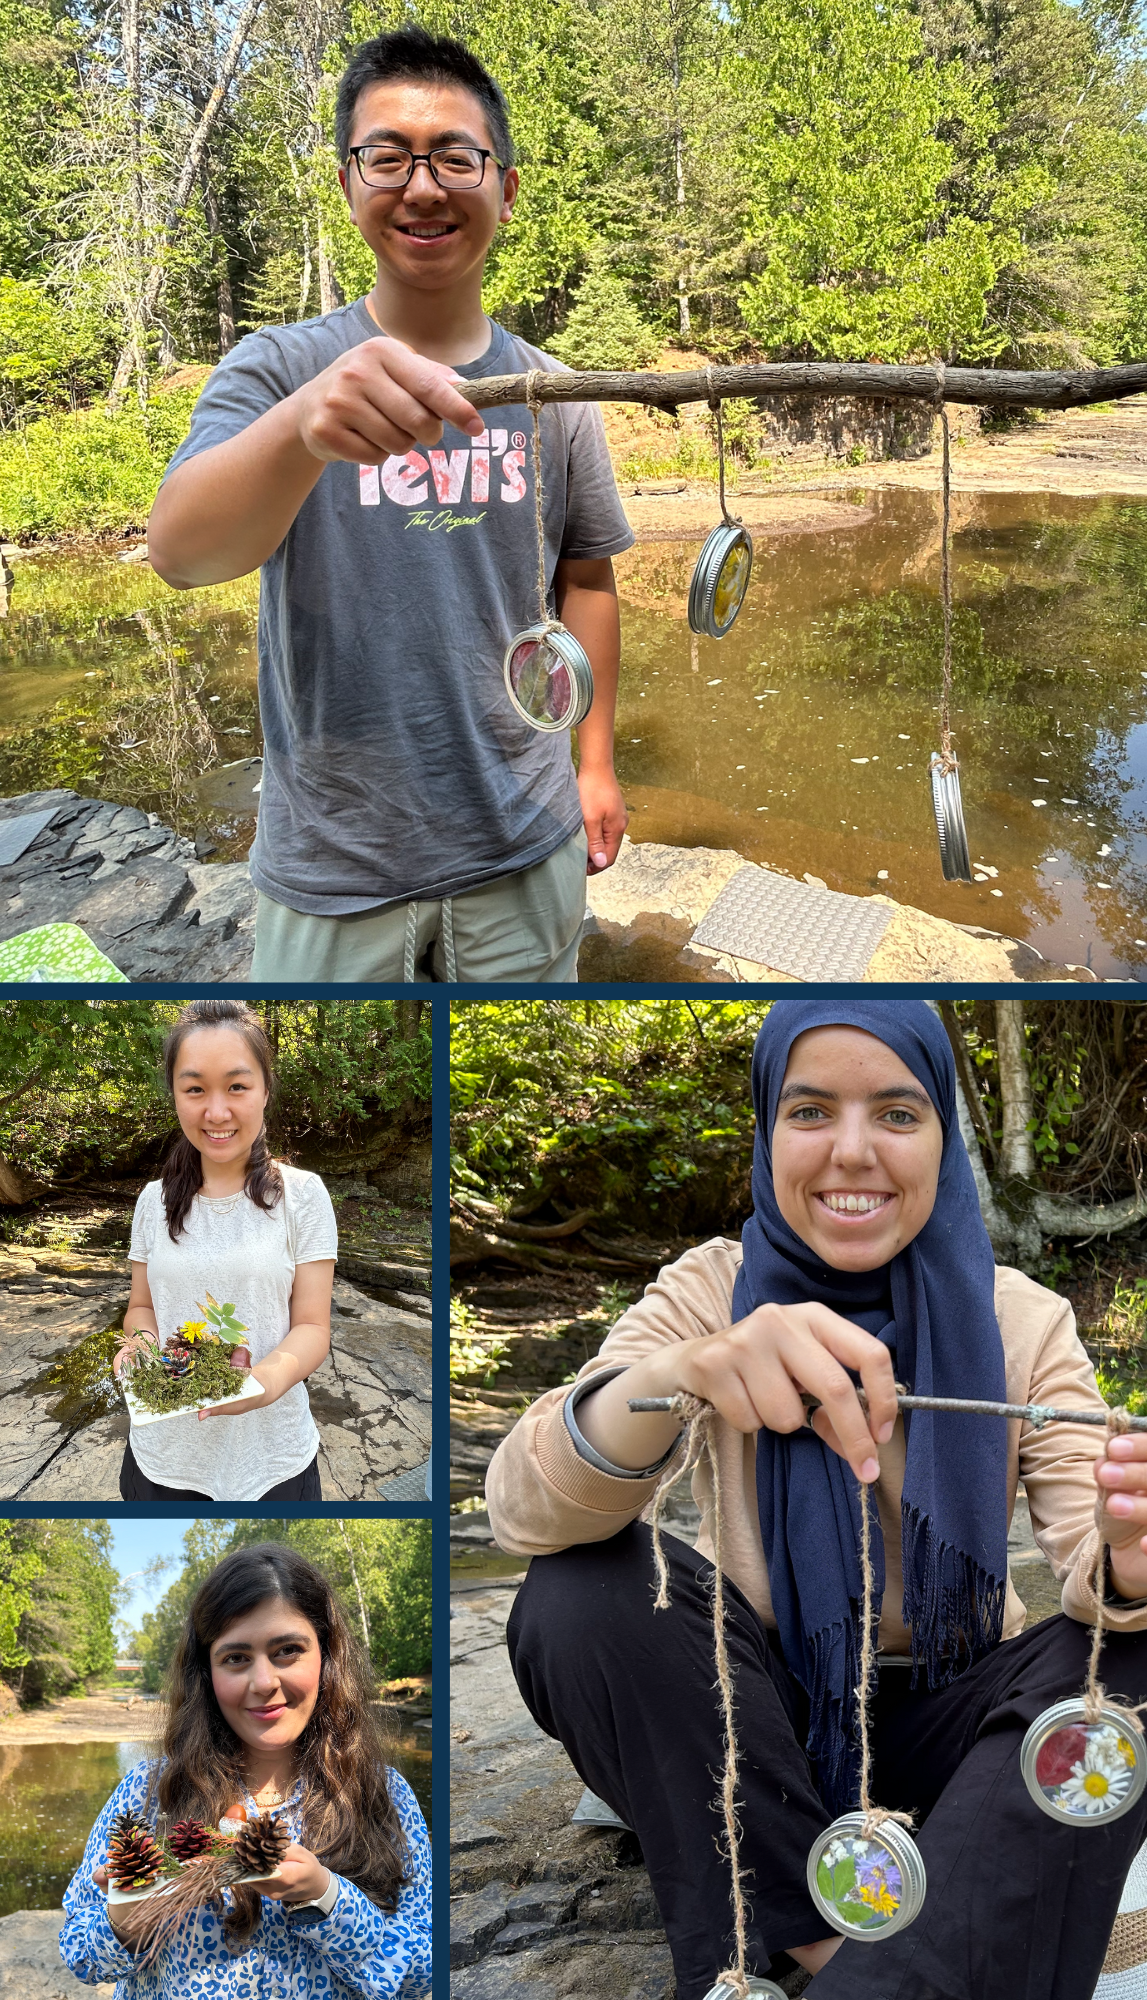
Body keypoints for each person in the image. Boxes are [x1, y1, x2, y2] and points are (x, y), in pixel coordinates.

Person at [488, 999, 1147, 2000]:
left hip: (962, 1739)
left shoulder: (1021, 1317)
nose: (851, 1151)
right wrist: (680, 1370)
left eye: (896, 1113)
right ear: (765, 1132)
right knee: (578, 1594)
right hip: (761, 1733)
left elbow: (1093, 1552)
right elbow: (526, 1512)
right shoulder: (708, 1292)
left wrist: (1137, 1557)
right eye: (808, 1111)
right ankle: (843, 1958)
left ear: (942, 1139)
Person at [146, 27, 634, 983]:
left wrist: (596, 764)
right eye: (387, 157)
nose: (422, 187)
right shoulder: (277, 369)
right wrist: (302, 428)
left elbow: (586, 581)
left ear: (504, 188)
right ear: (347, 184)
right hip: (333, 862)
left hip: (526, 838)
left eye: (455, 157)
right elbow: (181, 555)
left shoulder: (553, 391)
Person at [60, 1542, 431, 1998]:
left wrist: (326, 1897)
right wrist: (124, 1921)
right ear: (207, 1673)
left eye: (287, 1650)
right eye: (236, 1658)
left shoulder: (383, 1795)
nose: (264, 1683)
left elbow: (422, 1976)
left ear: (327, 1656)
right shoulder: (148, 1792)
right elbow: (79, 1954)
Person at [115, 998, 335, 1501]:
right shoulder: (152, 1201)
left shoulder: (302, 1196)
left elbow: (312, 1327)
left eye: (237, 1086)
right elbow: (142, 1307)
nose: (216, 1112)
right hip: (163, 1457)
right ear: (175, 1095)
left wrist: (263, 1382)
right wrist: (142, 1346)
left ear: (265, 1089)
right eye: (195, 1089)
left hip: (273, 1460)